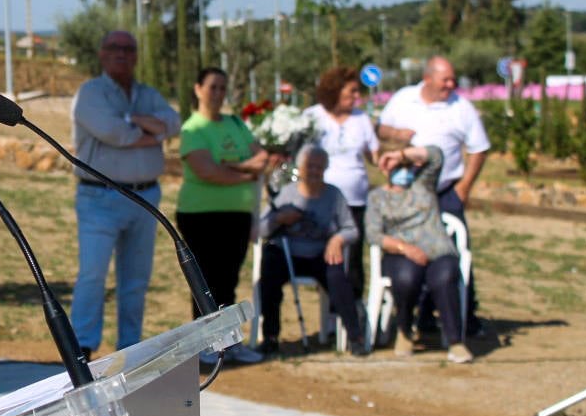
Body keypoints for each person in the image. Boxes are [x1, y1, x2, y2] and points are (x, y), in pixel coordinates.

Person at [70, 30, 181, 356]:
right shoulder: (90, 93)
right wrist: (149, 131)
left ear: (136, 55)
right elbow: (112, 132)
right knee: (92, 275)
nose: (121, 53)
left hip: (145, 198)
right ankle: (83, 347)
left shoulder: (148, 94)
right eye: (114, 48)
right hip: (99, 198)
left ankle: (129, 350)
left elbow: (173, 124)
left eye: (128, 48)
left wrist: (131, 119)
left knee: (136, 280)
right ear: (102, 54)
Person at [378, 55, 489, 332]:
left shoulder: (461, 108)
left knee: (454, 251)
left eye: (453, 79)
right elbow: (379, 130)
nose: (451, 84)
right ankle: (405, 311)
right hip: (406, 193)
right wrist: (394, 133)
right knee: (406, 252)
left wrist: (464, 187)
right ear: (427, 78)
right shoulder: (403, 99)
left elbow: (479, 148)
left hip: (445, 191)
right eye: (446, 79)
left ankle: (464, 315)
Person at [177, 67, 269, 364]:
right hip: (201, 214)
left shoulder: (235, 123)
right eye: (212, 87)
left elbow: (262, 158)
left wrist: (229, 166)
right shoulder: (194, 128)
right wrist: (245, 172)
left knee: (228, 280)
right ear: (198, 89)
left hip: (237, 214)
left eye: (222, 88)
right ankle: (204, 344)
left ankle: (229, 342)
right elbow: (206, 171)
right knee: (206, 279)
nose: (218, 94)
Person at [255, 145, 366, 355]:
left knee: (339, 278)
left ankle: (355, 336)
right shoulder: (287, 193)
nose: (314, 171)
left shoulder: (334, 195)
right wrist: (279, 218)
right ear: (300, 168)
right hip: (288, 254)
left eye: (319, 167)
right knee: (269, 274)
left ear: (325, 169)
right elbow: (261, 228)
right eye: (310, 166)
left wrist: (338, 238)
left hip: (320, 254)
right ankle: (270, 337)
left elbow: (352, 229)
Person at [366, 144, 470, 363]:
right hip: (401, 252)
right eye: (397, 166)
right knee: (407, 277)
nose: (403, 171)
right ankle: (404, 330)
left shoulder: (423, 185)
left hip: (438, 250)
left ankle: (455, 341)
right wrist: (405, 248)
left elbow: (436, 156)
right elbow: (374, 234)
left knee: (445, 277)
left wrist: (401, 154)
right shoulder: (377, 197)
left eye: (406, 166)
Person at [305, 66, 378, 298]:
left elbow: (374, 155)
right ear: (335, 91)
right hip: (321, 202)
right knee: (327, 258)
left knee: (353, 258)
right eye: (352, 92)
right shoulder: (312, 117)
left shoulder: (361, 119)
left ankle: (353, 311)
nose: (357, 97)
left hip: (355, 201)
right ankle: (331, 311)